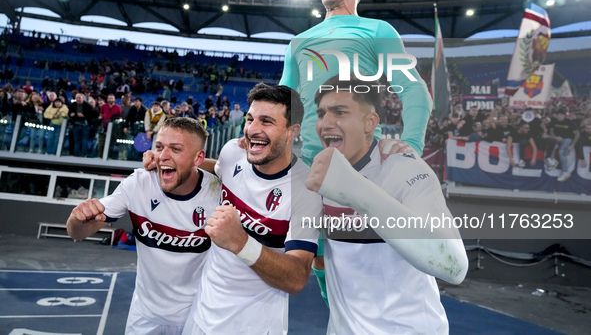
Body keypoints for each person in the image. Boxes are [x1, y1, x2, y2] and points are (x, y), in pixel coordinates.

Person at [305, 76, 467, 334]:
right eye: (321, 114)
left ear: (370, 122)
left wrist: (357, 191)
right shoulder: (319, 175)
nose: (326, 123)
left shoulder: (402, 167)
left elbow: (455, 266)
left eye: (339, 112)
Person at [181, 83, 323, 334]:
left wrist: (240, 241)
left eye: (266, 121)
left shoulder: (306, 190)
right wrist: (169, 163)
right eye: (250, 119)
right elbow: (214, 170)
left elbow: (296, 278)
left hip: (254, 326)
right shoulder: (232, 153)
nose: (252, 129)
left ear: (292, 131)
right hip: (201, 317)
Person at [66, 117, 221, 334]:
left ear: (199, 158)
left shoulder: (219, 192)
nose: (163, 156)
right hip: (145, 314)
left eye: (176, 149)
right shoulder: (139, 183)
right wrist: (76, 219)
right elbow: (79, 232)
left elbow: (243, 171)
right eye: (159, 147)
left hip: (200, 314)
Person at [279, 0, 432, 162]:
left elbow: (413, 88)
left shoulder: (378, 30)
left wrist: (412, 145)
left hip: (363, 165)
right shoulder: (298, 42)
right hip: (309, 165)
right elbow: (281, 104)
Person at [548, 108, 580, 182]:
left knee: (562, 151)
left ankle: (565, 172)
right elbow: (551, 131)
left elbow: (577, 134)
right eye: (558, 115)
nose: (559, 116)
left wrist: (572, 145)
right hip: (557, 138)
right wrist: (555, 137)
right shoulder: (553, 121)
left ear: (564, 116)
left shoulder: (570, 122)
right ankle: (553, 162)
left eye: (561, 115)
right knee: (550, 144)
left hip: (567, 139)